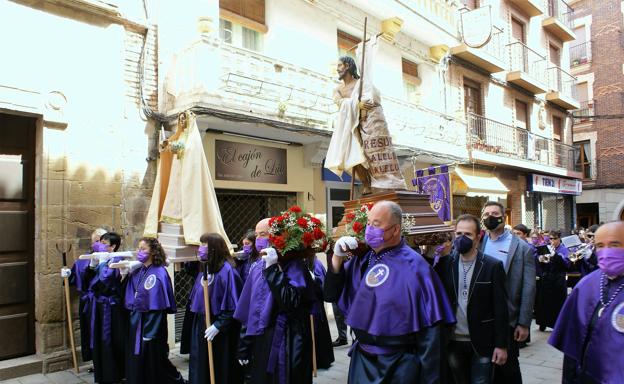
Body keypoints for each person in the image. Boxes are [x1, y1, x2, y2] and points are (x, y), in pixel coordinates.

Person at [324, 200, 455, 383]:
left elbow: (431, 334)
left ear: (395, 229)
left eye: (376, 225)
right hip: (362, 360)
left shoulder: (417, 267)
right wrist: (337, 259)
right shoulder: (363, 261)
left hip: (399, 366)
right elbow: (330, 294)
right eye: (368, 224)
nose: (369, 229)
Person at [234, 217, 316, 384]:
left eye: (263, 234)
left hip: (288, 339)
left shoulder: (294, 266)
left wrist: (273, 271)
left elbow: (291, 303)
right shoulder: (257, 267)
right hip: (263, 338)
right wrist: (244, 346)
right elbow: (251, 309)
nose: (258, 240)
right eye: (256, 235)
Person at [549, 221, 624, 383]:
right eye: (600, 246)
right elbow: (572, 346)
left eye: (614, 244)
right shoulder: (586, 285)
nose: (606, 251)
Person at [438, 214, 509, 384]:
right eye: (459, 233)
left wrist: (501, 345)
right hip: (453, 340)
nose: (462, 238)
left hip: (481, 342)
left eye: (468, 234)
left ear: (478, 237)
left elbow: (501, 308)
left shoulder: (492, 266)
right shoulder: (445, 264)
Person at [324, 48, 405, 194]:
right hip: (350, 126)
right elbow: (340, 104)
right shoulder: (337, 90)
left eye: (339, 66)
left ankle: (384, 182)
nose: (337, 69)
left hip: (368, 124)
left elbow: (374, 99)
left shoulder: (362, 84)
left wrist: (363, 108)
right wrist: (356, 104)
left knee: (372, 154)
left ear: (347, 66)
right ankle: (367, 183)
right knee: (354, 155)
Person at [144, 111, 230, 247]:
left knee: (184, 195)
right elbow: (173, 147)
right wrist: (166, 145)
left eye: (184, 119)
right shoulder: (180, 135)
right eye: (181, 119)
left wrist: (173, 146)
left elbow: (189, 150)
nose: (182, 121)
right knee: (174, 193)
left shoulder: (193, 138)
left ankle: (185, 222)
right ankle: (173, 217)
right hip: (177, 171)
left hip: (188, 173)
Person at [480, 201, 535, 384]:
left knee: (508, 367)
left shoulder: (521, 248)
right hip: (483, 317)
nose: (490, 217)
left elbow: (528, 287)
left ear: (503, 217)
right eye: (486, 214)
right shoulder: (479, 243)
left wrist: (524, 322)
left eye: (494, 213)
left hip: (508, 317)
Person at [123, 237, 185, 384]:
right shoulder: (138, 270)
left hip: (152, 325)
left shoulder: (158, 273)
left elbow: (157, 305)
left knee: (155, 359)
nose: (140, 251)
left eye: (143, 249)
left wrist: (149, 333)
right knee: (139, 358)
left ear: (153, 251)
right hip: (137, 321)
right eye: (138, 249)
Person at [184, 233, 242, 384]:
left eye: (205, 245)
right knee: (200, 363)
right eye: (201, 245)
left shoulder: (228, 271)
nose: (201, 249)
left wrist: (218, 325)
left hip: (219, 327)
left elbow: (233, 304)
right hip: (201, 322)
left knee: (218, 365)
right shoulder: (205, 268)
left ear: (215, 248)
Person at [60, 228, 108, 365]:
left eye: (101, 241)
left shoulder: (111, 259)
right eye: (96, 241)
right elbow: (71, 280)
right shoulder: (82, 261)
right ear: (92, 243)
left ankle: (106, 362)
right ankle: (94, 361)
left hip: (104, 303)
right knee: (88, 331)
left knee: (103, 333)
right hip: (87, 303)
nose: (98, 243)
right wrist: (66, 274)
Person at [84, 232, 127, 384]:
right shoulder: (99, 257)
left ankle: (113, 374)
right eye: (100, 242)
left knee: (110, 339)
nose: (100, 246)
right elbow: (87, 282)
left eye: (104, 243)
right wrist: (91, 267)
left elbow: (107, 279)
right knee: (98, 339)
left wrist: (102, 264)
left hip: (111, 307)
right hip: (98, 306)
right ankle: (101, 373)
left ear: (113, 246)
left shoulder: (117, 258)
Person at [534, 230, 570, 332]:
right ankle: (543, 323)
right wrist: (541, 260)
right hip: (547, 278)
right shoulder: (546, 248)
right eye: (551, 239)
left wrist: (556, 256)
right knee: (544, 301)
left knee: (557, 302)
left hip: (558, 278)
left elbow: (566, 264)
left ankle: (556, 324)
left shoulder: (563, 249)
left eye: (555, 239)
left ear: (559, 239)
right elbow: (542, 264)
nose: (552, 241)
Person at [310, 256, 335, 369]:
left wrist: (313, 280)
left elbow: (322, 285)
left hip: (316, 306)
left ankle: (322, 360)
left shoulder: (317, 264)